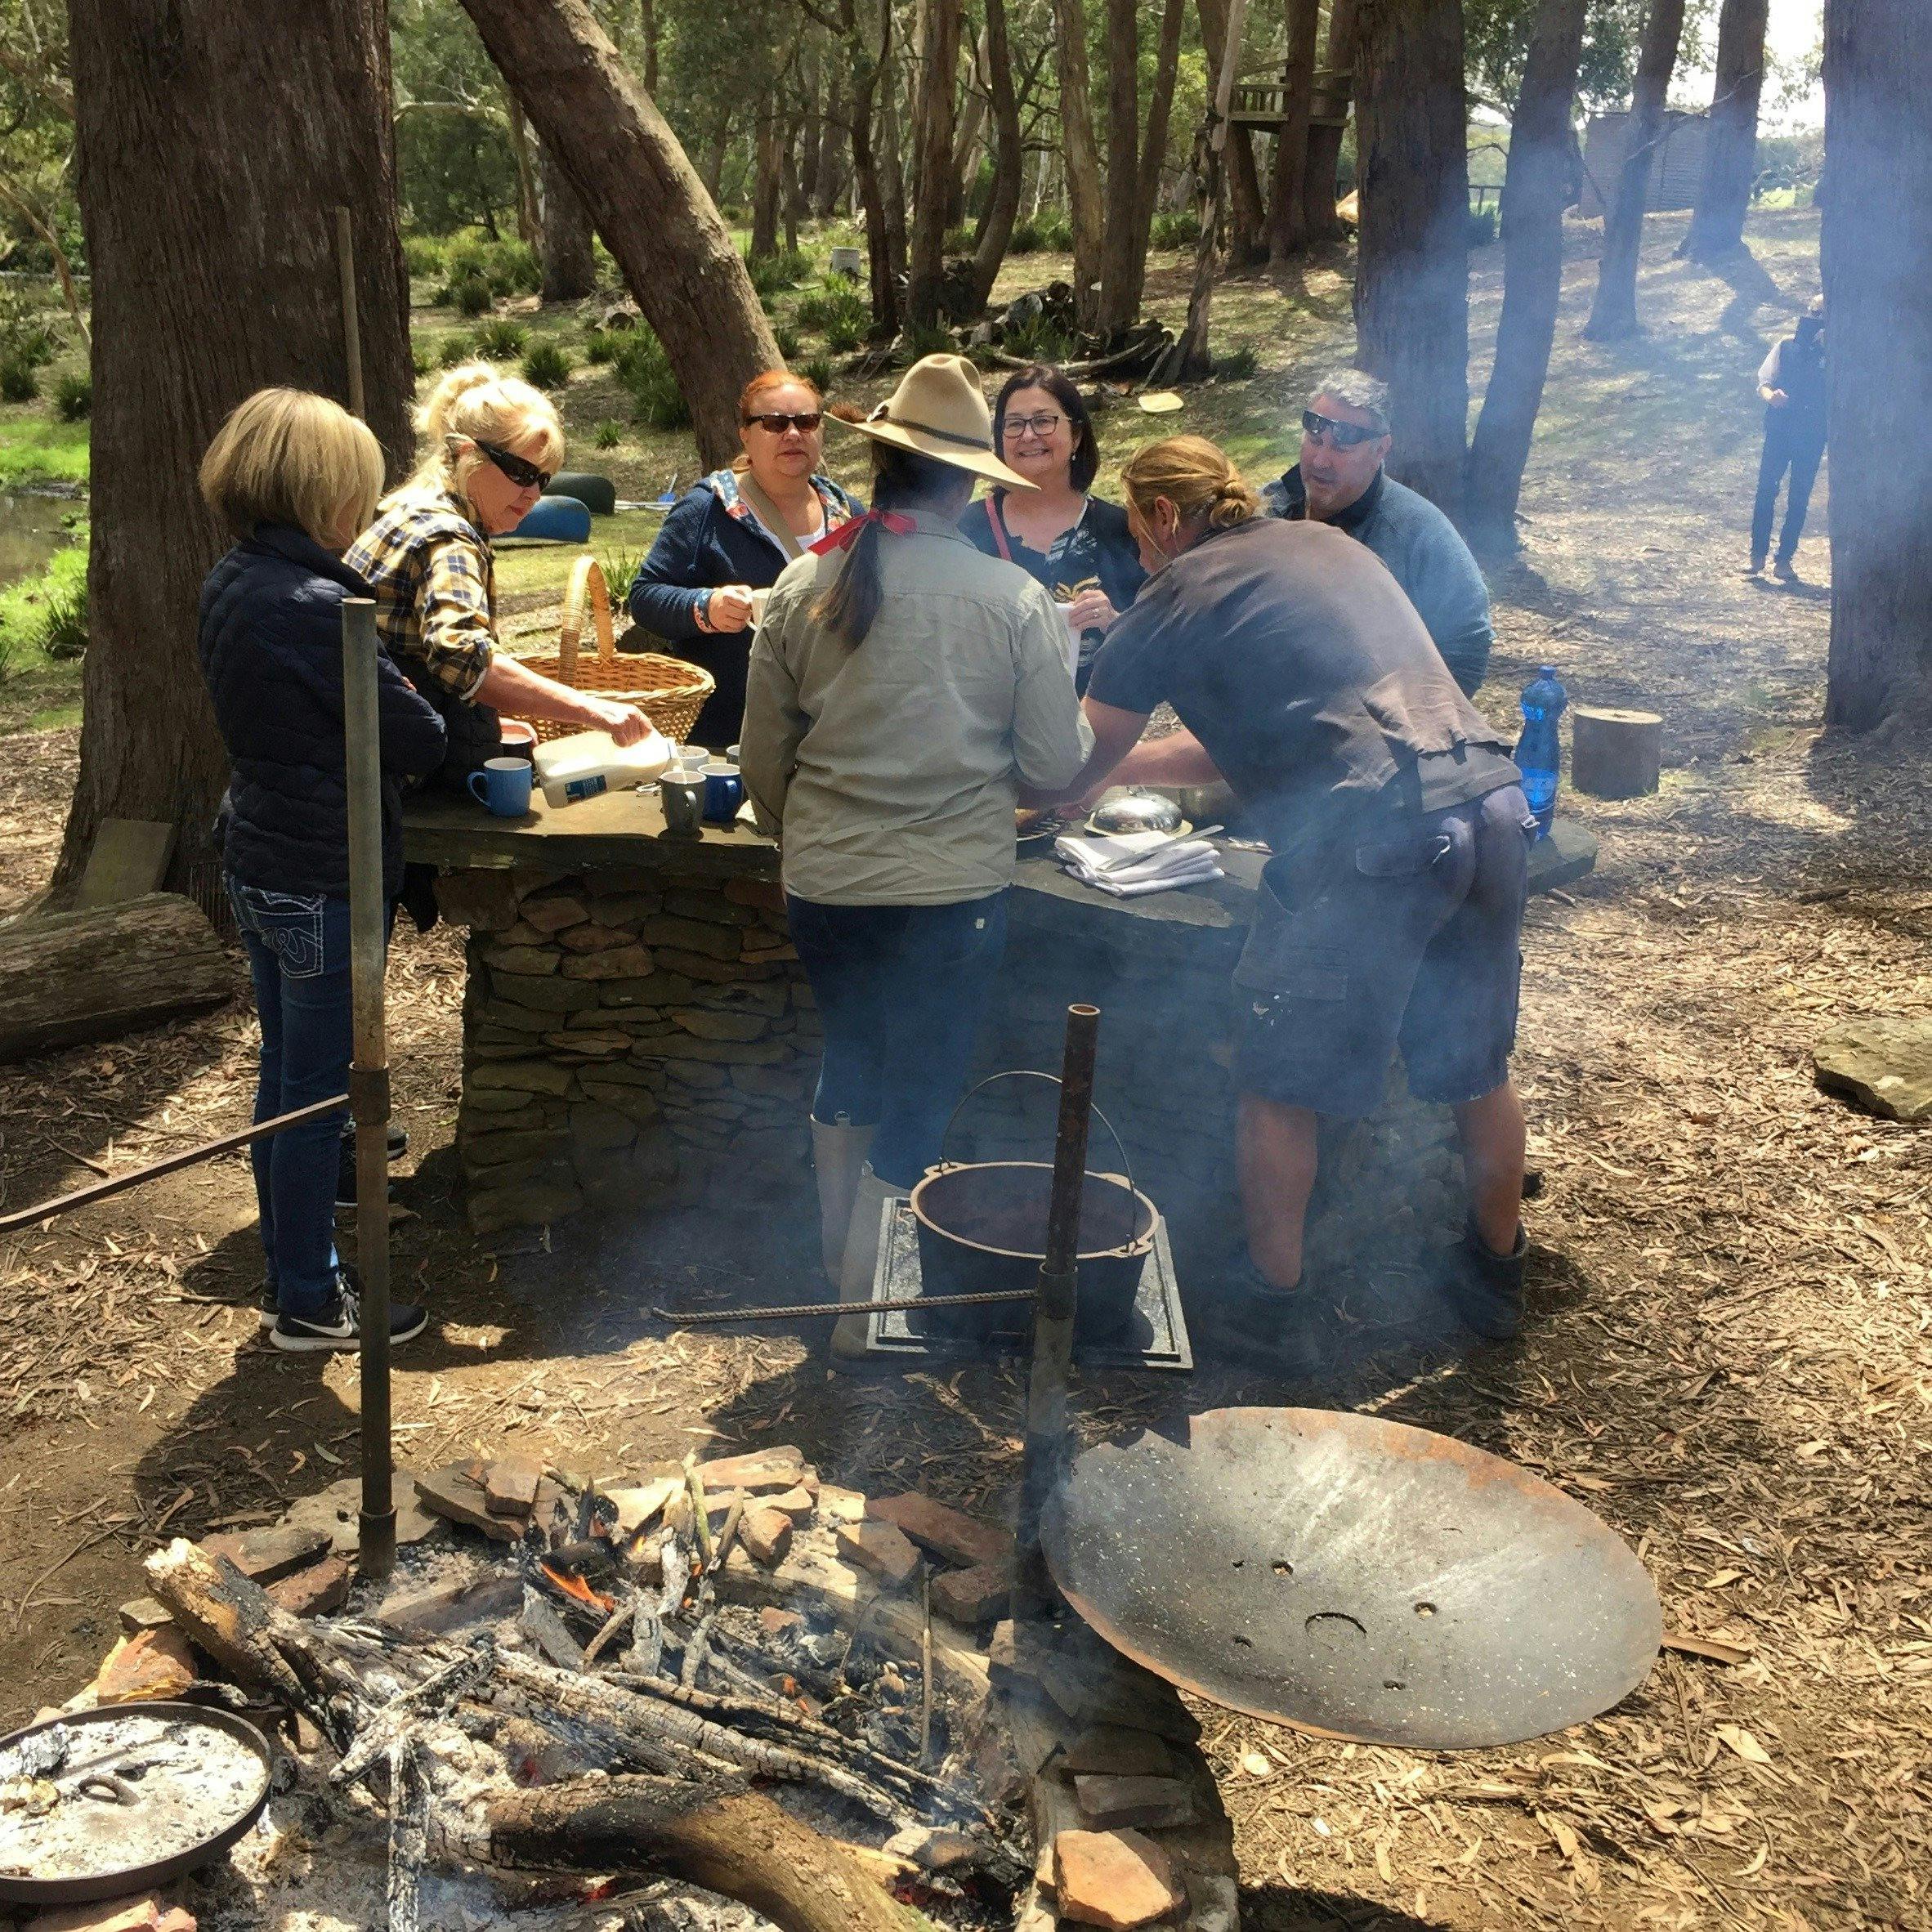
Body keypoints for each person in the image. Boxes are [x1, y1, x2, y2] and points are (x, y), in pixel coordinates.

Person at [1057, 435, 1534, 1358]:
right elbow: (1272, 735)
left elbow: (1075, 754)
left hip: (1376, 838)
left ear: (1162, 516)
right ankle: (1497, 1272)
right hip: (1492, 803)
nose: (1142, 552)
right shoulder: (1328, 547)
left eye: (1139, 526)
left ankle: (1271, 1303)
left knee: (1277, 1082)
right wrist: (1109, 781)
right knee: (1478, 1069)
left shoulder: (1176, 593)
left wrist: (1043, 789)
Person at [740, 355, 1091, 1361]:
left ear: (883, 463)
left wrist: (805, 835)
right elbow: (1055, 763)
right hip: (950, 894)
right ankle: (866, 1317)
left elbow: (765, 765)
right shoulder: (1010, 598)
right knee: (924, 1088)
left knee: (850, 1061)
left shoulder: (804, 581)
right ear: (973, 480)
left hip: (827, 885)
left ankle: (835, 1271)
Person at [197, 389, 442, 1353]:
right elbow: (415, 733)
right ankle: (305, 1297)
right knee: (317, 1101)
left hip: (261, 853)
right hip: (317, 870)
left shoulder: (238, 574)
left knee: (288, 1083)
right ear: (320, 489)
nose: (362, 512)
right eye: (356, 491)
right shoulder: (310, 603)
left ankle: (295, 1274)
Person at [347, 361, 651, 787]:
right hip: (384, 781)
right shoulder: (447, 536)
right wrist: (598, 710)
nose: (532, 493)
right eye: (522, 472)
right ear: (469, 453)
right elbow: (464, 657)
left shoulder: (408, 510)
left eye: (544, 480)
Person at [627, 370, 860, 746]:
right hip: (733, 738)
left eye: (806, 421)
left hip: (833, 733)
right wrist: (706, 607)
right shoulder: (708, 508)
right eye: (774, 423)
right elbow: (644, 595)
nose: (793, 434)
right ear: (745, 435)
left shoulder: (846, 510)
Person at [1263, 370, 1494, 697]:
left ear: (1381, 450)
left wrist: (1412, 722)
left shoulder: (1418, 534)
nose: (1321, 461)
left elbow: (1467, 643)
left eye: (1341, 450)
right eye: (1315, 441)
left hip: (1371, 723)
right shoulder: (1270, 508)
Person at [956, 364, 1145, 691]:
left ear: (1077, 435)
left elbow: (1156, 644)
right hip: (992, 726)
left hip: (1099, 725)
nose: (1028, 436)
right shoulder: (966, 530)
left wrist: (1114, 622)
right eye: (1014, 425)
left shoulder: (1123, 529)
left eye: (1043, 421)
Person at [1746, 296, 1827, 582]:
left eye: (1823, 315)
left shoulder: (1838, 352)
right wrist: (1772, 397)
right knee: (1766, 490)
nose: (1817, 320)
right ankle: (1757, 555)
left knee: (1799, 498)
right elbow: (1764, 382)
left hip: (1812, 434)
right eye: (1814, 313)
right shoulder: (1785, 345)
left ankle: (1784, 560)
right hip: (1780, 429)